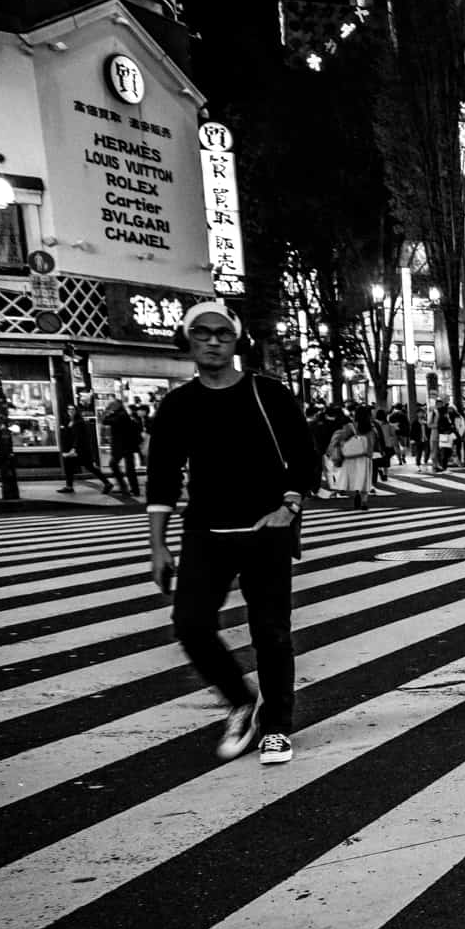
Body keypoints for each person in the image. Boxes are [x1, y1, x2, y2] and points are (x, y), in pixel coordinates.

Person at [146, 301, 319, 766]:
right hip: (205, 531)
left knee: (272, 633)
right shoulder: (178, 404)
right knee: (191, 625)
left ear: (236, 340)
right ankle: (242, 702)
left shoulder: (268, 394)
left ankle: (277, 725)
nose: (214, 341)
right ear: (189, 340)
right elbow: (161, 476)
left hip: (266, 529)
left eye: (223, 333)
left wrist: (289, 506)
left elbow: (305, 458)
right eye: (203, 333)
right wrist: (157, 544)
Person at [330, 408, 377, 509]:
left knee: (355, 477)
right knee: (365, 479)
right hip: (365, 456)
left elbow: (341, 439)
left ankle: (356, 494)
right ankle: (364, 501)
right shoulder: (371, 428)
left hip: (351, 456)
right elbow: (373, 443)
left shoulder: (351, 426)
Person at [104, 401, 143, 497]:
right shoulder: (123, 414)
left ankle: (125, 487)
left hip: (122, 447)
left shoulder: (120, 415)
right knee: (129, 468)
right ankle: (133, 489)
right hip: (127, 446)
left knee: (115, 465)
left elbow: (106, 421)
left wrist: (107, 411)